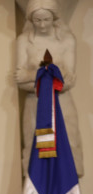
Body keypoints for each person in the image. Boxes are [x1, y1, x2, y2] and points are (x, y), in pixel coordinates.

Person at [15, 0, 82, 176]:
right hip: (35, 104)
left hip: (62, 103)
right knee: (35, 151)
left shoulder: (67, 40)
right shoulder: (24, 41)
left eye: (46, 19)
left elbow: (68, 82)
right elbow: (20, 81)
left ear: (54, 17)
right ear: (31, 19)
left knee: (68, 146)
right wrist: (53, 75)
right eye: (37, 20)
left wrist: (30, 75)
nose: (42, 25)